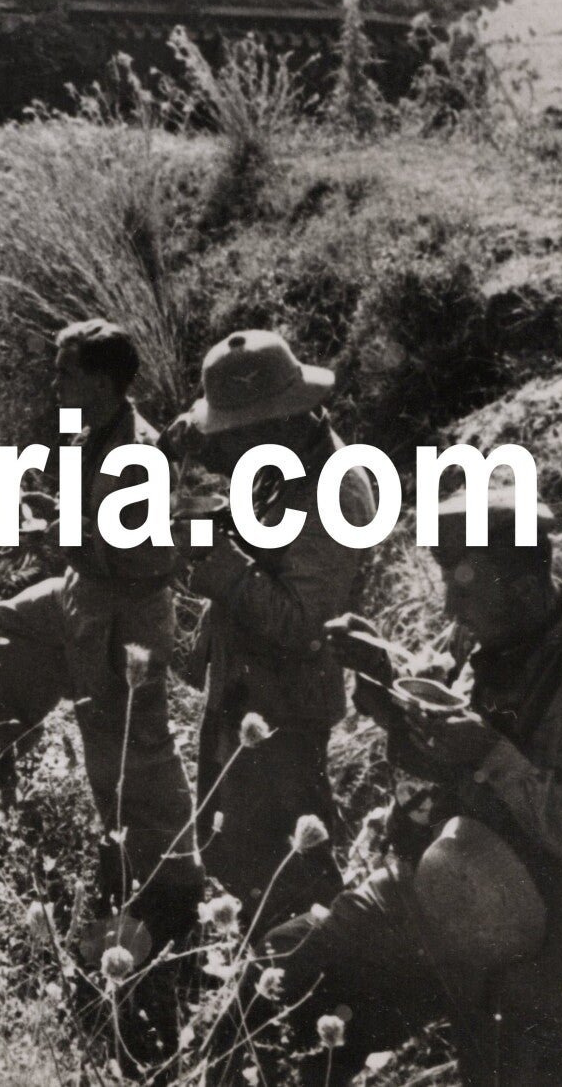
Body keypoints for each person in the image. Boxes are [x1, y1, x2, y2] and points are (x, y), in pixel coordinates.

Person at [257, 487, 562, 1087]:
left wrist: (490, 755)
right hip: (437, 883)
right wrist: (387, 680)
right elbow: (440, 724)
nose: (450, 610)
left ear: (524, 588)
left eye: (464, 591)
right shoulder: (485, 634)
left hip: (548, 932)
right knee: (283, 978)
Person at [0, 319, 204, 954]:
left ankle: (170, 891)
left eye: (65, 372)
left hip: (124, 622)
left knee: (127, 757)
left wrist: (64, 535)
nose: (54, 383)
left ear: (101, 382)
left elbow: (153, 560)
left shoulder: (143, 455)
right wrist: (59, 524)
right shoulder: (85, 437)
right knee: (2, 623)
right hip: (80, 597)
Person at [160, 329, 372, 932]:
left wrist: (222, 567)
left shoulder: (333, 489)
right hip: (244, 690)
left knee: (287, 866)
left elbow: (306, 623)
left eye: (235, 431)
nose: (224, 444)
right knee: (229, 844)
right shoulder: (280, 455)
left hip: (287, 708)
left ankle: (301, 970)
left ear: (277, 418)